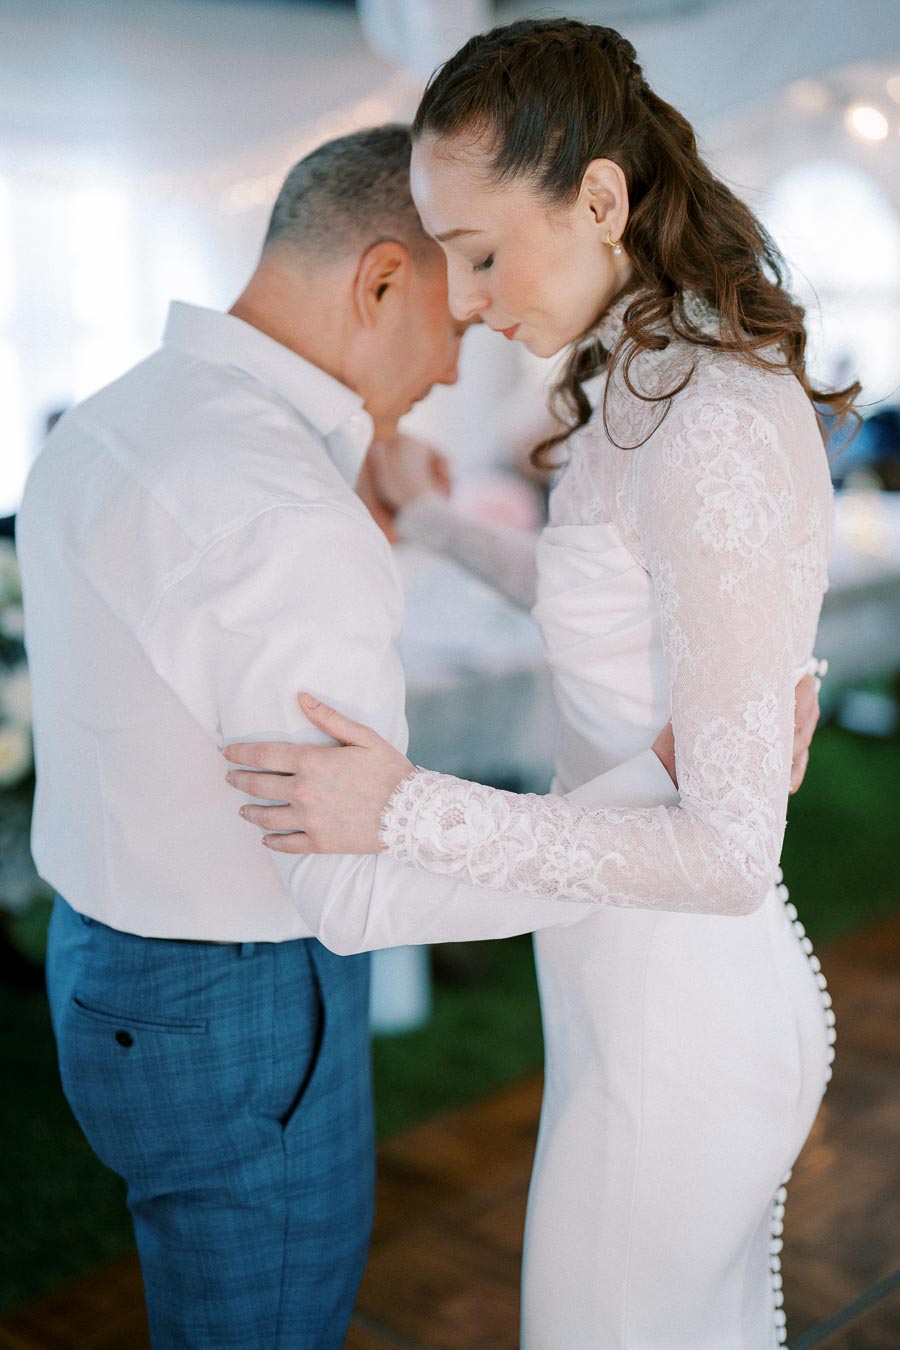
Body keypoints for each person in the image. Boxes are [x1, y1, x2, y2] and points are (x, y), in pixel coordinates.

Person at [223, 21, 849, 1349]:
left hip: (687, 1017)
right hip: (622, 985)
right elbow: (607, 609)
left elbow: (730, 849)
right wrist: (440, 523)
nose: (460, 299)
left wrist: (403, 810)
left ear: (603, 199)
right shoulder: (644, 378)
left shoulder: (713, 417)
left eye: (483, 253)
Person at [18, 124, 610, 1350]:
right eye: (460, 316)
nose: (453, 368)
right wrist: (614, 860)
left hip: (102, 959)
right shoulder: (288, 513)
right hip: (237, 1003)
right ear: (383, 280)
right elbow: (355, 887)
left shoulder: (113, 417)